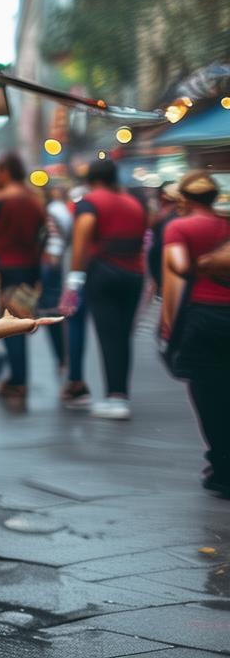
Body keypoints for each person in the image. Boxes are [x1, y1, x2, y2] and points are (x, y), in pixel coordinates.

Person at [160, 170, 230, 496]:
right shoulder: (226, 225)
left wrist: (168, 324)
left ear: (184, 198)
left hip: (201, 316)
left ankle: (222, 465)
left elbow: (178, 269)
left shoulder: (178, 227)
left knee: (207, 393)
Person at [60, 159, 147, 420]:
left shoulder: (89, 202)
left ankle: (115, 399)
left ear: (91, 179)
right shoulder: (133, 202)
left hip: (104, 272)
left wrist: (74, 278)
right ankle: (119, 393)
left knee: (108, 334)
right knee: (122, 335)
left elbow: (83, 233)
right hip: (134, 273)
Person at [0, 153, 46, 406]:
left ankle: (18, 381)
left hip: (3, 270)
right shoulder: (34, 199)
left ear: (6, 171)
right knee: (21, 320)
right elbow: (43, 234)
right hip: (30, 269)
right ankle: (19, 378)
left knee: (10, 324)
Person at [38, 185, 74, 388]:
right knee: (53, 310)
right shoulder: (61, 210)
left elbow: (54, 240)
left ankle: (62, 359)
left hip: (50, 263)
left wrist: (50, 258)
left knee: (51, 311)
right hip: (55, 264)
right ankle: (62, 359)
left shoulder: (51, 211)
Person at [147, 183, 182, 297]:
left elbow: (156, 251)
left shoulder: (172, 218)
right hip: (165, 273)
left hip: (165, 274)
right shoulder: (169, 215)